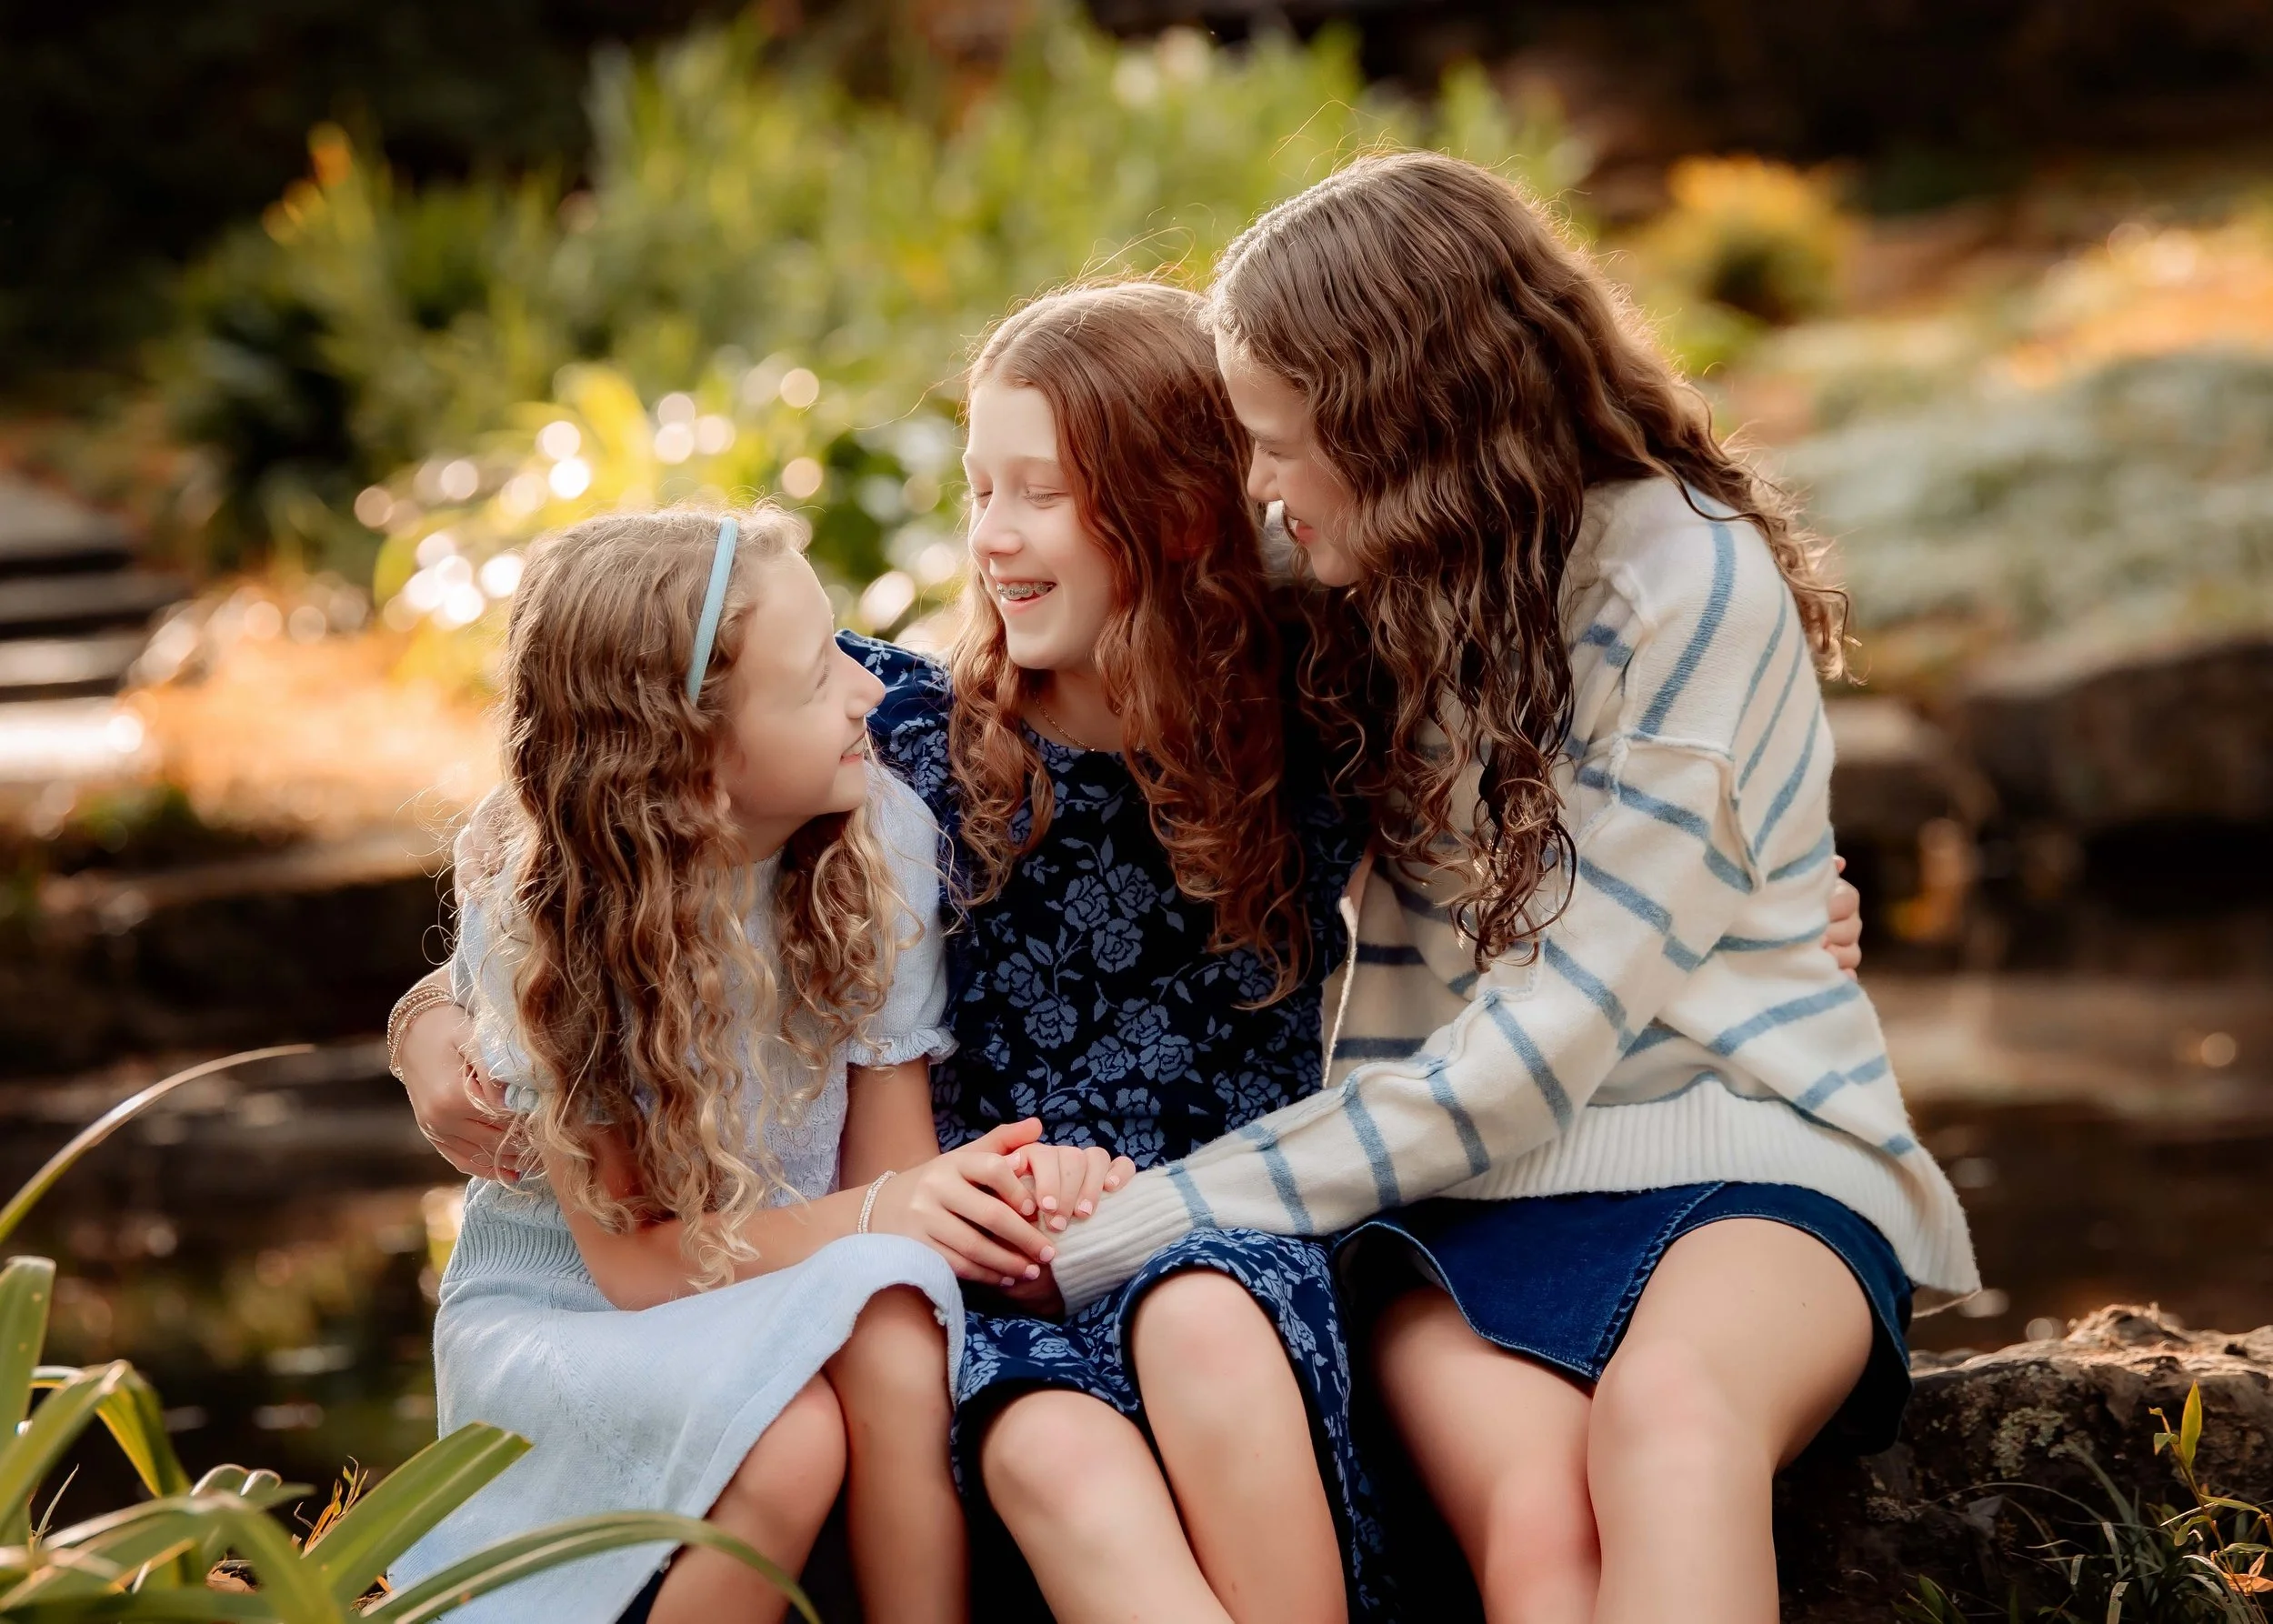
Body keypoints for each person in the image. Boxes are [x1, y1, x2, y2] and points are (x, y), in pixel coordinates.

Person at [1037, 153, 1979, 1624]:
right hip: (1458, 1194)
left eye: (1283, 444)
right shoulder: (1359, 566)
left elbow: (1548, 1045)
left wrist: (1136, 1220)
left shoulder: (1685, 581)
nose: (1266, 493)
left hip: (1744, 1151)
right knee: (1539, 1529)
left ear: (1407, 430)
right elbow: (1073, 624)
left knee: (1670, 1430)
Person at [390, 505, 1076, 1624]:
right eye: (815, 682)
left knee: (898, 1306)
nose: (866, 692)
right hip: (577, 1310)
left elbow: (887, 1182)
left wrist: (918, 1212)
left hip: (791, 1266)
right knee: (792, 1434)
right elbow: (636, 1268)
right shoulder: (553, 918)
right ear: (697, 764)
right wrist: (886, 1214)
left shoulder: (878, 841)